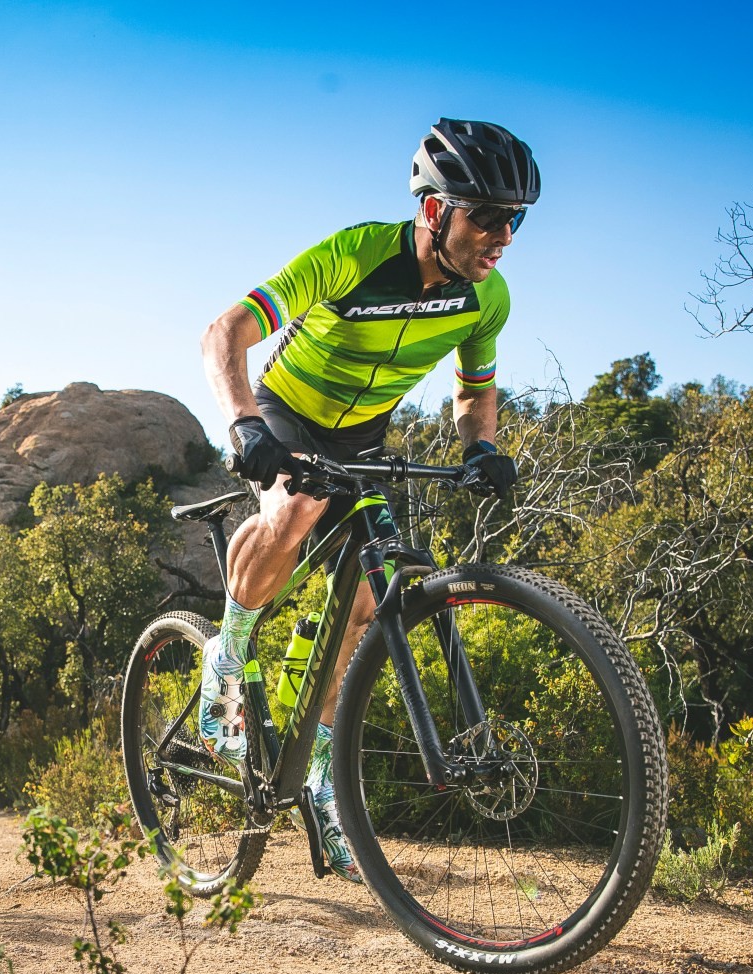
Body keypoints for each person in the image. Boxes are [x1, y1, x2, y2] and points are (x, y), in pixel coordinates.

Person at [197, 118, 539, 883]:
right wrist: (244, 423)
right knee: (293, 510)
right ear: (434, 210)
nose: (503, 236)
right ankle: (229, 652)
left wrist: (481, 448)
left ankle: (318, 773)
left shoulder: (487, 299)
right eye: (487, 216)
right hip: (286, 415)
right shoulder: (354, 255)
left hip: (365, 438)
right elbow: (225, 333)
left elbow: (474, 391)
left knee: (364, 601)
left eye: (514, 220)